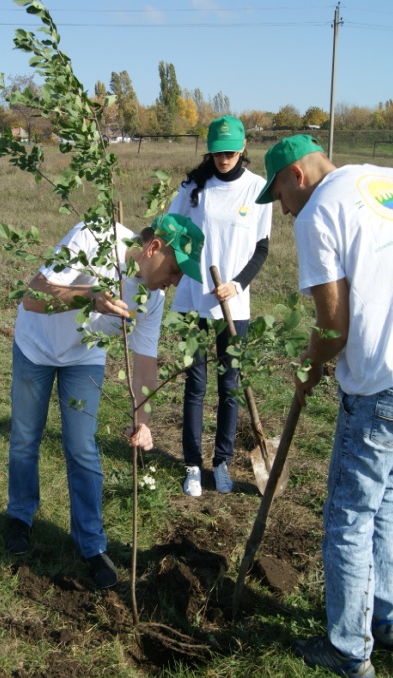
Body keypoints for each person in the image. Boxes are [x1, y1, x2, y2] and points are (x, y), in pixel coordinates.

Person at [254, 135, 393, 678]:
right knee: (384, 487)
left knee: (348, 514)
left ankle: (348, 650)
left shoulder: (317, 213)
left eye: (278, 194)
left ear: (296, 175)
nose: (282, 209)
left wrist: (310, 365)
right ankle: (388, 619)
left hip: (387, 388)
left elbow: (331, 326)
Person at [6, 214, 205, 588]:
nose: (176, 282)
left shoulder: (152, 299)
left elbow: (145, 362)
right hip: (35, 345)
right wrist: (90, 298)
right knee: (25, 437)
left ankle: (91, 543)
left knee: (81, 446)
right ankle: (20, 516)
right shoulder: (95, 235)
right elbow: (33, 295)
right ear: (154, 248)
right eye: (177, 270)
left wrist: (143, 418)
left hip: (84, 356)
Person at [167, 115, 273, 497]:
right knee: (195, 385)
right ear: (209, 151)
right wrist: (185, 269)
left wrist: (236, 285)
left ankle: (222, 462)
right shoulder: (194, 187)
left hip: (235, 306)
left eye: (230, 151)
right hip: (194, 301)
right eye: (217, 151)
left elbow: (261, 247)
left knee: (229, 386)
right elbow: (170, 230)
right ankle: (193, 465)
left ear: (243, 148)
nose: (224, 157)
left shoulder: (259, 191)